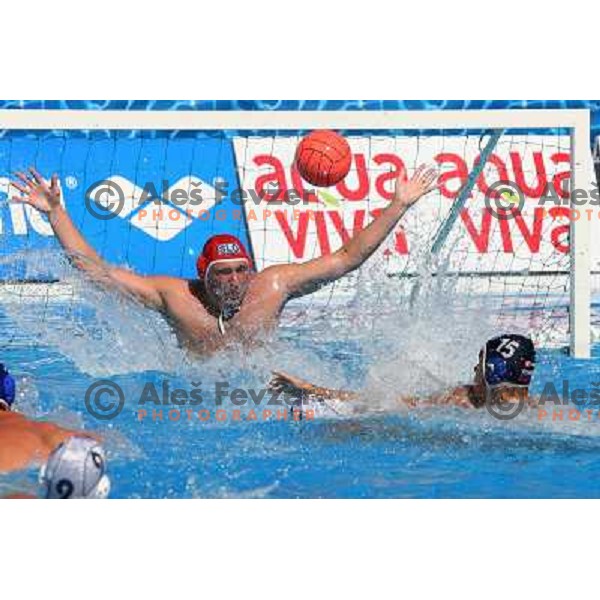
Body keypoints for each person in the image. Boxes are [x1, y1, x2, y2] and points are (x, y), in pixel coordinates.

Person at [11, 166, 437, 355]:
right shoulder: (176, 297)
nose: (235, 280)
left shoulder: (273, 287)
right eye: (224, 272)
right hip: (195, 393)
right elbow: (96, 273)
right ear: (203, 275)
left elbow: (347, 257)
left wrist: (398, 204)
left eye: (241, 270)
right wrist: (56, 212)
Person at [270, 334, 537, 416]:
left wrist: (311, 389)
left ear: (494, 371)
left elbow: (388, 404)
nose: (475, 370)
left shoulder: (461, 401)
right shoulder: (544, 411)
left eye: (480, 365)